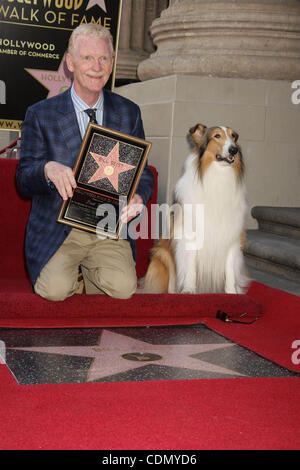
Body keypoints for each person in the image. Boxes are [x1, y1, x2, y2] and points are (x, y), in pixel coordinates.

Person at [16, 23, 154, 301]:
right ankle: (73, 275)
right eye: (87, 58)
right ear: (70, 63)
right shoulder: (40, 114)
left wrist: (139, 195)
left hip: (107, 227)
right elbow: (23, 179)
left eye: (103, 58)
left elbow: (144, 173)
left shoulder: (129, 113)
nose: (96, 66)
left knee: (124, 289)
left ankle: (89, 271)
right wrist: (47, 169)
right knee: (55, 291)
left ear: (112, 63)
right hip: (59, 228)